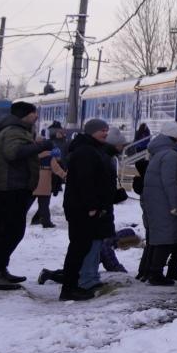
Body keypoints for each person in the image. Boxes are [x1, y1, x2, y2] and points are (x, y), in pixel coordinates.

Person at [0, 102, 43, 290]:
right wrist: (39, 147)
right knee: (12, 231)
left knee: (6, 230)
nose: (36, 116)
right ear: (25, 115)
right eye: (33, 113)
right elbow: (13, 153)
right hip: (12, 187)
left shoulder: (15, 130)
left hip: (11, 186)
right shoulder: (14, 131)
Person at [55, 119, 121, 300]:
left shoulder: (90, 149)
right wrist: (92, 206)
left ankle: (72, 286)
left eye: (107, 130)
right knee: (78, 248)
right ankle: (69, 288)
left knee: (81, 248)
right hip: (82, 209)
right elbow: (86, 182)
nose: (106, 133)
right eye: (102, 130)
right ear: (92, 132)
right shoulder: (85, 152)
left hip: (84, 208)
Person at [136, 119, 177, 284]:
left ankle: (149, 271)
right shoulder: (170, 155)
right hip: (165, 204)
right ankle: (156, 274)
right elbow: (170, 182)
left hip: (156, 202)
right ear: (173, 137)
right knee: (165, 239)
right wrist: (174, 205)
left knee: (159, 238)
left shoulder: (158, 153)